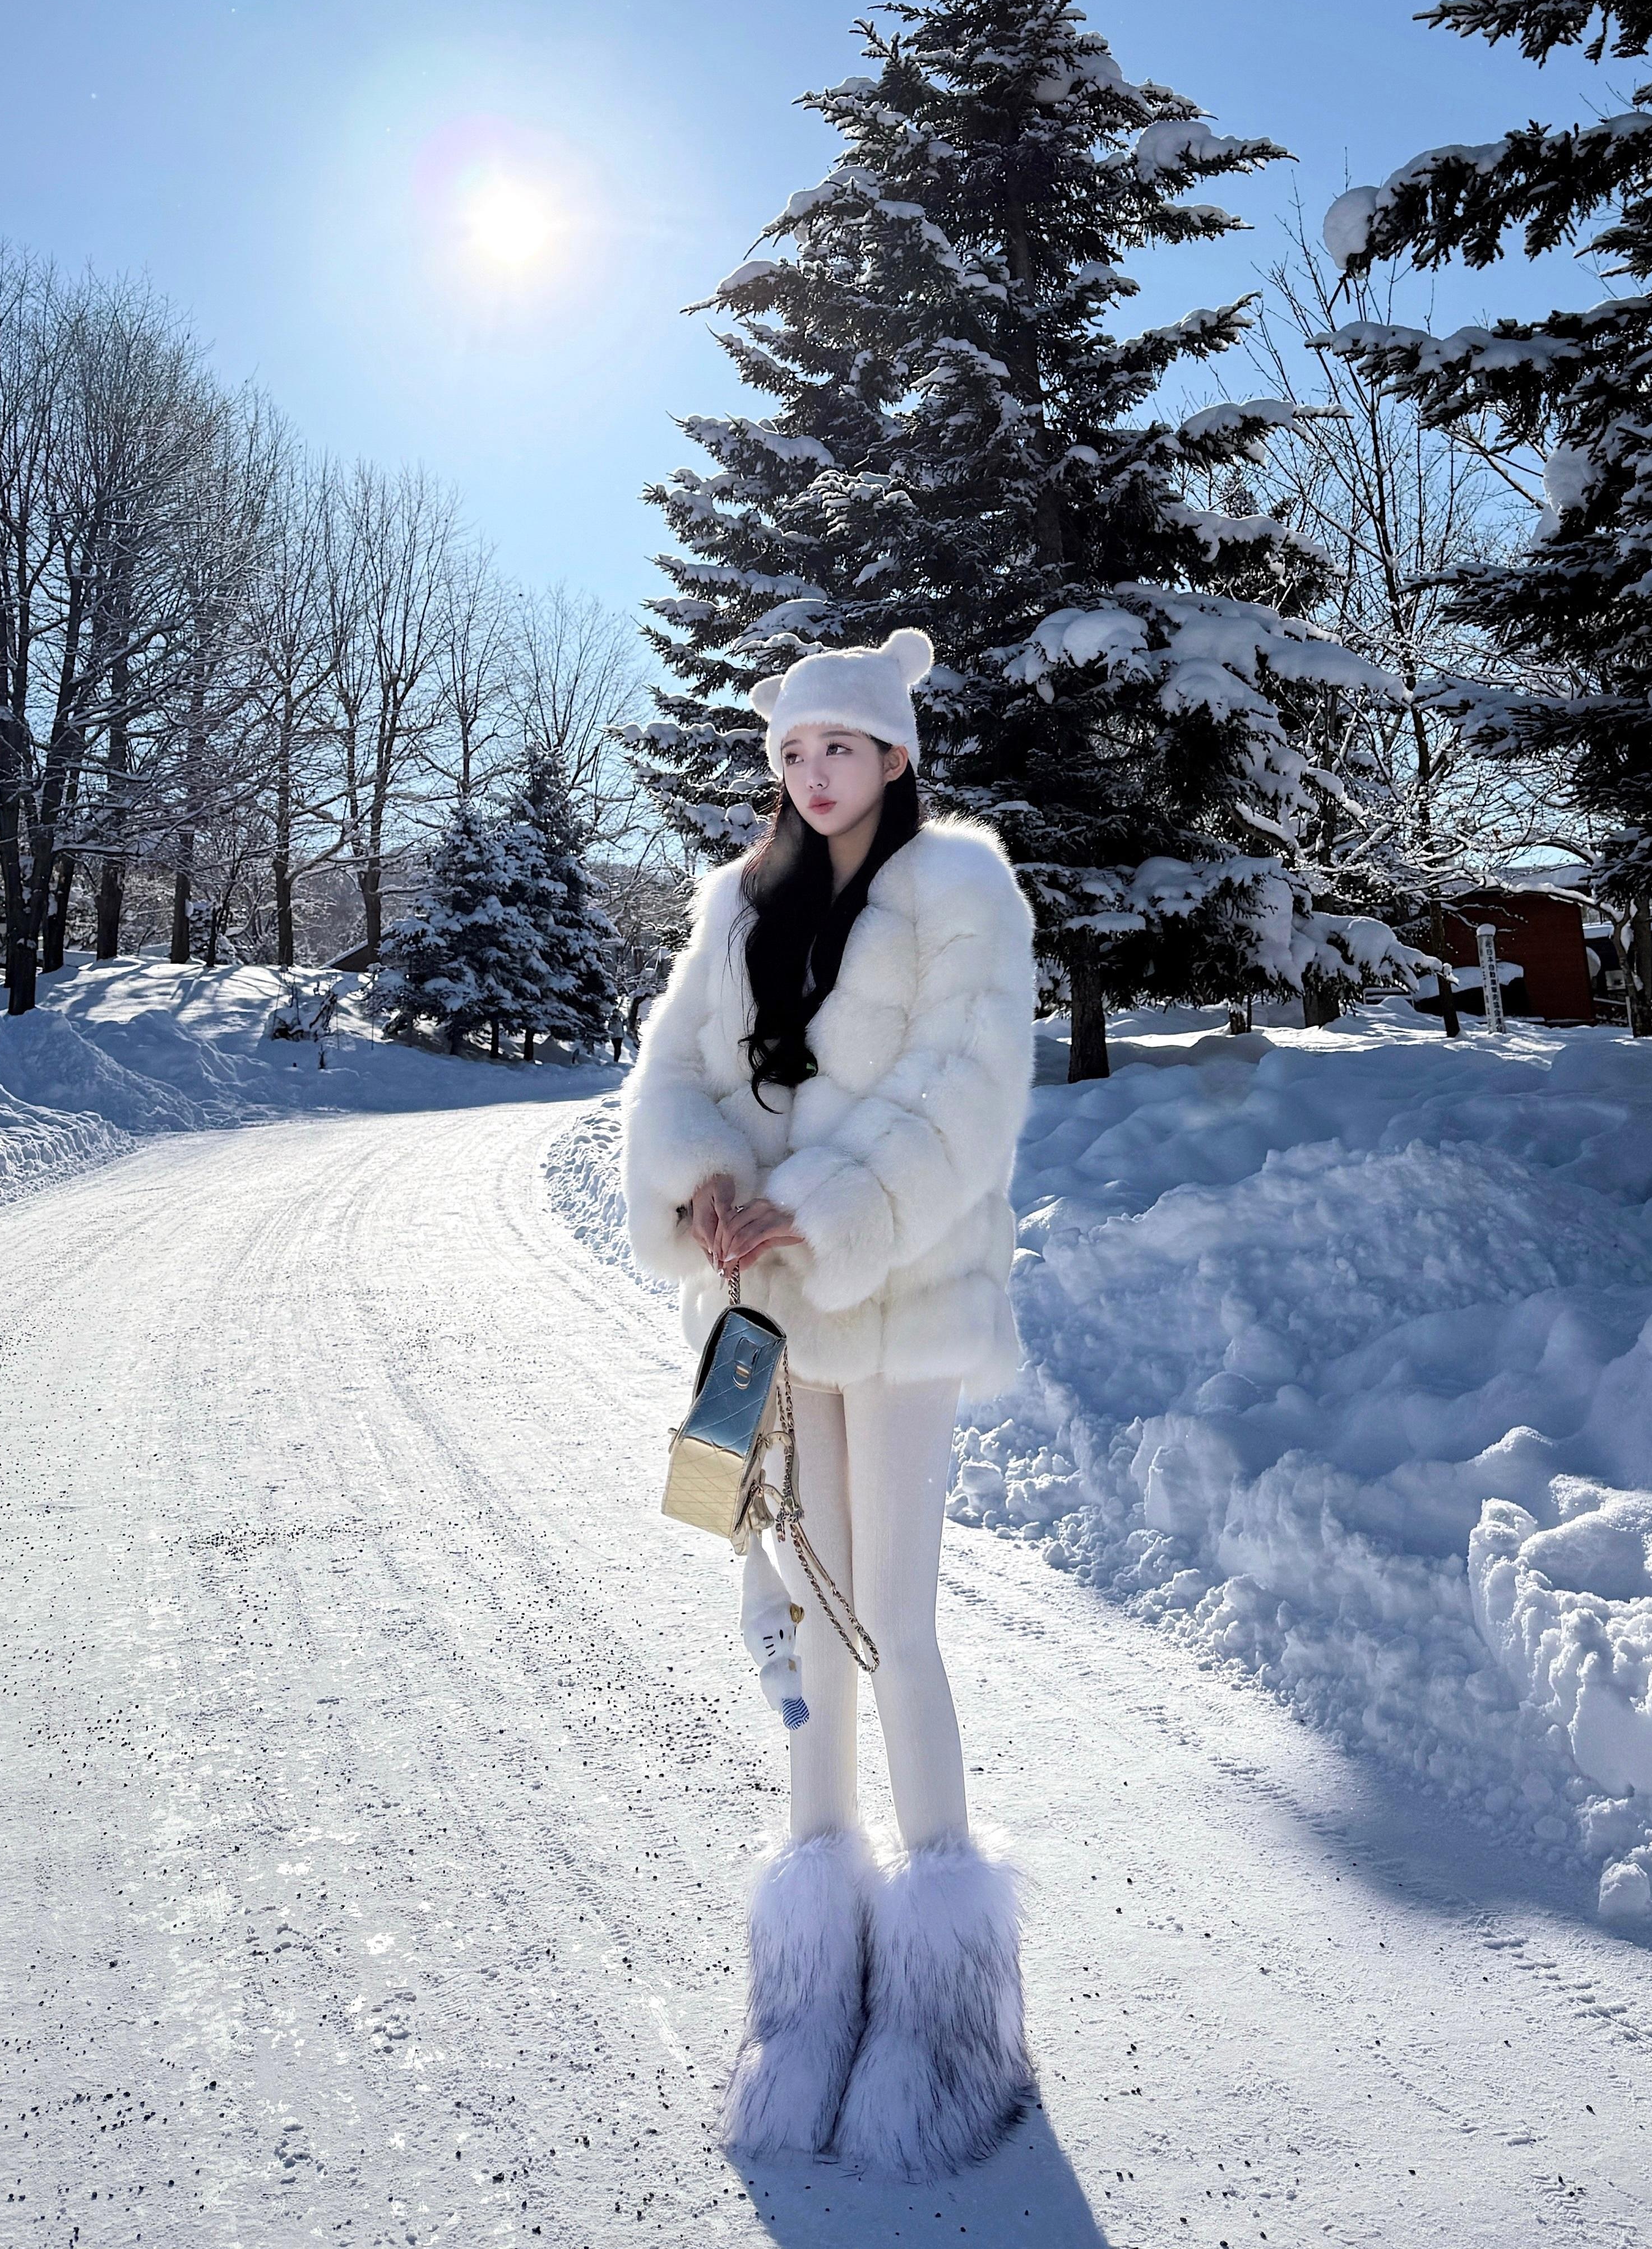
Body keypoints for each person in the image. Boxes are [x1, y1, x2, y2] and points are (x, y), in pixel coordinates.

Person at [621, 628, 1039, 2180]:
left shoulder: (963, 892)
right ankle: (813, 1988)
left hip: (905, 1293)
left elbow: (969, 1087)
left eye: (843, 748)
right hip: (778, 1313)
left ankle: (949, 2010)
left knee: (899, 1620)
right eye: (795, 750)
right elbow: (669, 1083)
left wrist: (825, 1202)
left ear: (896, 756)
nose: (814, 773)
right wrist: (709, 1193)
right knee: (803, 1622)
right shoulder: (736, 903)